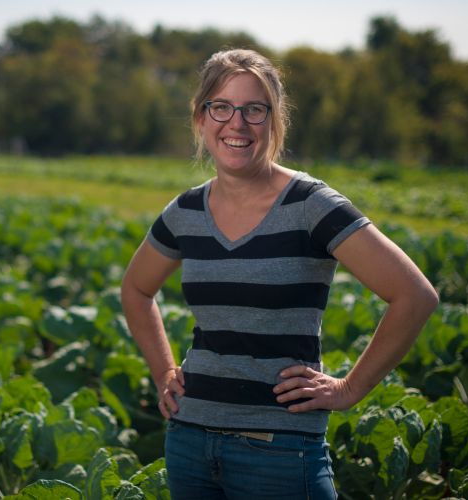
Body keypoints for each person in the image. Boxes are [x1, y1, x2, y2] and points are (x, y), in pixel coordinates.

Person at [120, 48, 438, 500]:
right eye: (222, 107)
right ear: (201, 118)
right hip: (189, 442)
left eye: (254, 109)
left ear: (274, 120)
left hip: (280, 452)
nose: (237, 123)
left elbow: (415, 295)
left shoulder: (311, 205)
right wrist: (163, 372)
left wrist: (349, 389)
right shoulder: (185, 211)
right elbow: (135, 288)